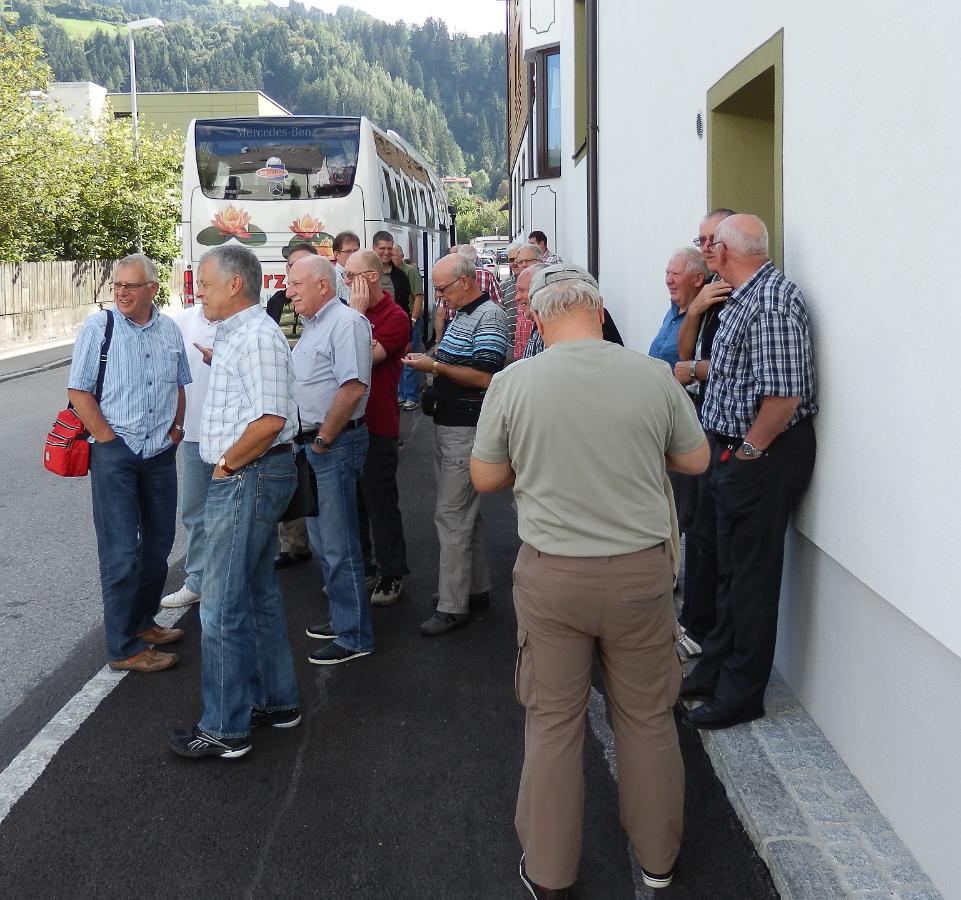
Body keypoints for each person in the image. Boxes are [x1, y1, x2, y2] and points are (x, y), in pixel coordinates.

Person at [470, 264, 709, 895]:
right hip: (640, 573)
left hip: (553, 575)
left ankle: (550, 872)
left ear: (538, 321)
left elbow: (485, 477)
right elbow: (695, 459)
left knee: (553, 722)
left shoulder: (515, 382)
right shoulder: (653, 375)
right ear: (599, 313)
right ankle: (658, 859)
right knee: (648, 717)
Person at [680, 214, 818, 731]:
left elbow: (782, 398)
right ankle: (715, 671)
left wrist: (748, 454)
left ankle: (741, 695)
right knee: (730, 573)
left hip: (761, 456)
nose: (704, 249)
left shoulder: (771, 302)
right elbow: (731, 373)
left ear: (727, 251)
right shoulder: (741, 295)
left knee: (751, 580)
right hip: (735, 450)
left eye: (710, 242)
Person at [167, 244, 300, 759]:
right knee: (258, 592)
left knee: (220, 604)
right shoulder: (238, 333)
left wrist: (225, 465)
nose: (198, 291)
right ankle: (277, 702)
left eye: (205, 283)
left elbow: (270, 420)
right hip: (254, 474)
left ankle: (225, 728)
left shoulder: (256, 337)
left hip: (249, 475)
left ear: (235, 284)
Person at [67, 254, 190, 673]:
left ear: (152, 289)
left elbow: (179, 385)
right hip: (115, 455)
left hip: (159, 453)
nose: (121, 292)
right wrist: (107, 439)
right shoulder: (98, 329)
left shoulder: (169, 329)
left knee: (157, 547)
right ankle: (123, 649)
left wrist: (176, 431)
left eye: (130, 286)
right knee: (120, 554)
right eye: (117, 285)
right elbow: (79, 391)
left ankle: (142, 622)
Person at [403, 253, 509, 636]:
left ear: (465, 281)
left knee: (451, 515)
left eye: (443, 288)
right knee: (465, 515)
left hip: (465, 428)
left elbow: (484, 376)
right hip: (451, 424)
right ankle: (473, 589)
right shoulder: (463, 313)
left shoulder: (488, 315)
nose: (439, 296)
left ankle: (452, 605)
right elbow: (454, 360)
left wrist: (432, 366)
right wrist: (430, 358)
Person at [286, 254, 375, 665]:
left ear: (323, 286)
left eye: (296, 284)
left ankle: (355, 635)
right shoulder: (316, 325)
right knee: (325, 543)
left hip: (333, 445)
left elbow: (352, 388)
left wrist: (322, 440)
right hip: (315, 446)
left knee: (340, 545)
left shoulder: (346, 323)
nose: (289, 292)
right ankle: (344, 619)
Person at [670, 209, 736, 660]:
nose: (706, 247)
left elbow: (736, 368)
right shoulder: (711, 293)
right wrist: (694, 309)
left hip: (733, 436)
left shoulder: (745, 296)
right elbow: (684, 349)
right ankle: (695, 622)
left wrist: (693, 370)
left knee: (711, 535)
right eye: (702, 240)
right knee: (696, 526)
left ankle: (701, 628)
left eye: (713, 239)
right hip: (706, 423)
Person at [346, 250, 412, 606]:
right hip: (347, 423)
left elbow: (361, 360)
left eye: (350, 275)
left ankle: (392, 573)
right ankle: (364, 568)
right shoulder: (347, 313)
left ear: (371, 277)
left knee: (380, 502)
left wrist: (355, 317)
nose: (345, 282)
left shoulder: (395, 316)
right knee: (353, 503)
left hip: (378, 423)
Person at [266, 243, 321, 570]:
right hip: (284, 394)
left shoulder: (326, 306)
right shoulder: (276, 301)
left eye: (301, 266)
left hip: (313, 398)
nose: (294, 273)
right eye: (291, 267)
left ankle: (324, 545)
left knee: (314, 469)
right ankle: (293, 544)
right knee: (289, 464)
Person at [160, 302, 218, 609]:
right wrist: (177, 425)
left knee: (233, 516)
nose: (201, 289)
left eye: (207, 282)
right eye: (199, 282)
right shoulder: (181, 321)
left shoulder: (243, 321)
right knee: (194, 513)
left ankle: (233, 582)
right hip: (194, 434)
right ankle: (197, 581)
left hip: (235, 436)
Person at [648, 248, 710, 368]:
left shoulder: (706, 316)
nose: (668, 280)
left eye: (676, 274)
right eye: (667, 273)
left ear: (698, 279)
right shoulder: (674, 308)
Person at [391, 244, 425, 410]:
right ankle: (401, 394)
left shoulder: (410, 271)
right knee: (398, 359)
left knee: (409, 358)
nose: (390, 257)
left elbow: (418, 296)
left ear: (402, 256)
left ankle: (411, 396)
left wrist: (413, 319)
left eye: (394, 254)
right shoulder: (388, 273)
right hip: (395, 322)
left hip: (410, 320)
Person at [266, 242, 319, 325]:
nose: (299, 270)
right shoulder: (276, 301)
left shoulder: (325, 304)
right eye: (294, 265)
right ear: (287, 269)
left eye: (306, 265)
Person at [510, 263, 545, 362]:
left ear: (541, 291)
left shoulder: (551, 332)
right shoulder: (538, 325)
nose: (516, 298)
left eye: (522, 291)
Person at [372, 230, 412, 315]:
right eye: (382, 248)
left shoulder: (401, 276)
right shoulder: (365, 273)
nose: (386, 252)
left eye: (389, 249)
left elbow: (404, 305)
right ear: (374, 248)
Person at [332, 230, 361, 304]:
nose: (353, 255)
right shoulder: (333, 279)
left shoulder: (362, 273)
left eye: (356, 251)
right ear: (337, 254)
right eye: (348, 251)